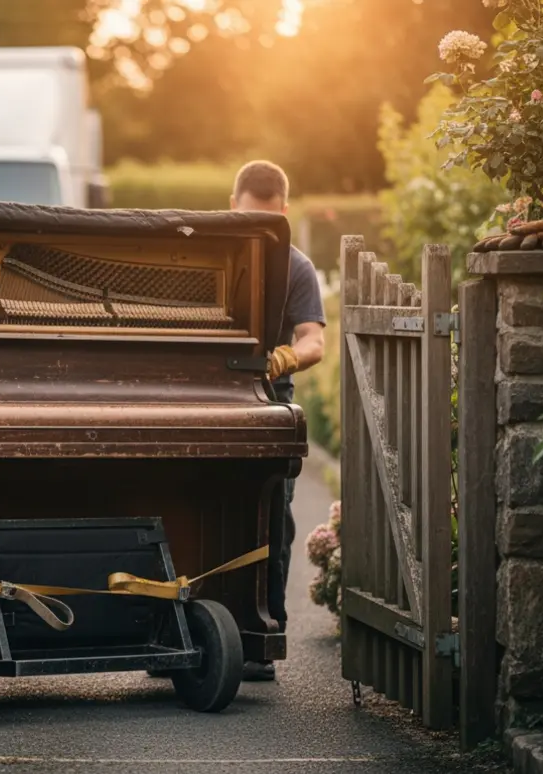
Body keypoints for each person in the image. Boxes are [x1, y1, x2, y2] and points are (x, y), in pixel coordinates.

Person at [229, 160, 326, 682]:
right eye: (249, 220)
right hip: (209, 399)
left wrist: (283, 358)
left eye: (271, 223)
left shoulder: (298, 266)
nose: (261, 233)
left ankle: (263, 639)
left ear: (285, 214)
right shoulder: (204, 253)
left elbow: (314, 339)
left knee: (272, 516)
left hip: (269, 400)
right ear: (231, 207)